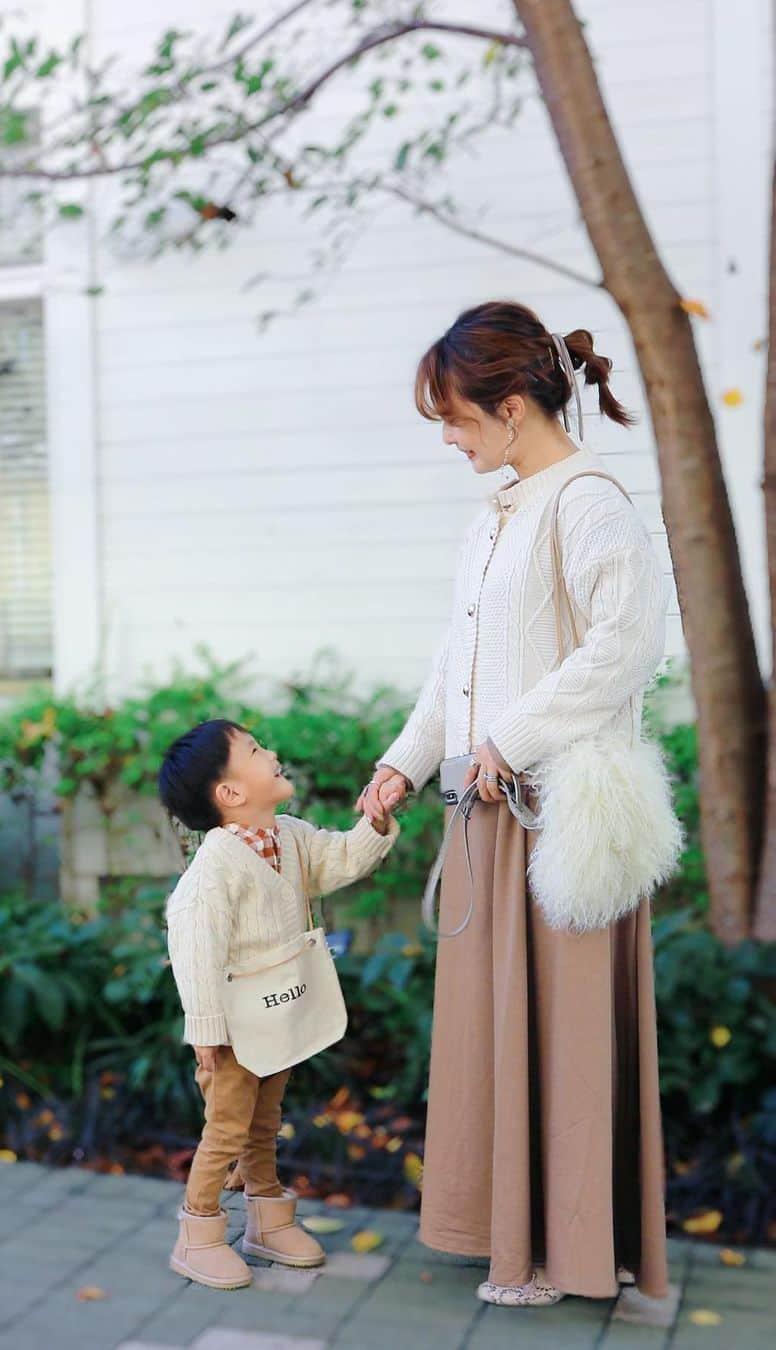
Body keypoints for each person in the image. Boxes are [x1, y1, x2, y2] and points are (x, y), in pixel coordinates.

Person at [359, 300, 671, 1308]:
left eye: (453, 419)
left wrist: (507, 741)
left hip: (558, 818)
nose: (449, 441)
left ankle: (570, 1257)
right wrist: (408, 760)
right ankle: (517, 1246)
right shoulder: (498, 513)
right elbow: (459, 662)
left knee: (566, 1045)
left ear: (506, 405)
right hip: (488, 806)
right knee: (501, 1037)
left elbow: (625, 648)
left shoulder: (587, 501)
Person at [159, 719, 399, 1290]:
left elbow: (337, 860)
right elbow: (193, 943)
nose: (271, 753)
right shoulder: (214, 868)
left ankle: (265, 1217)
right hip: (234, 1029)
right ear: (231, 794)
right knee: (226, 1130)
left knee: (265, 1121)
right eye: (254, 750)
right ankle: (198, 1234)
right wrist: (207, 1030)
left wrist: (375, 823)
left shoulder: (288, 835)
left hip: (277, 1009)